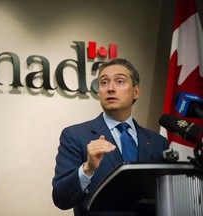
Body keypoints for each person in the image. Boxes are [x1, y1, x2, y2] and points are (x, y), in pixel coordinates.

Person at [52, 58, 168, 216]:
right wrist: (87, 169)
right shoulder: (74, 135)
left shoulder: (158, 142)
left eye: (120, 81)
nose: (110, 89)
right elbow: (61, 199)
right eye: (104, 82)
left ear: (136, 91)